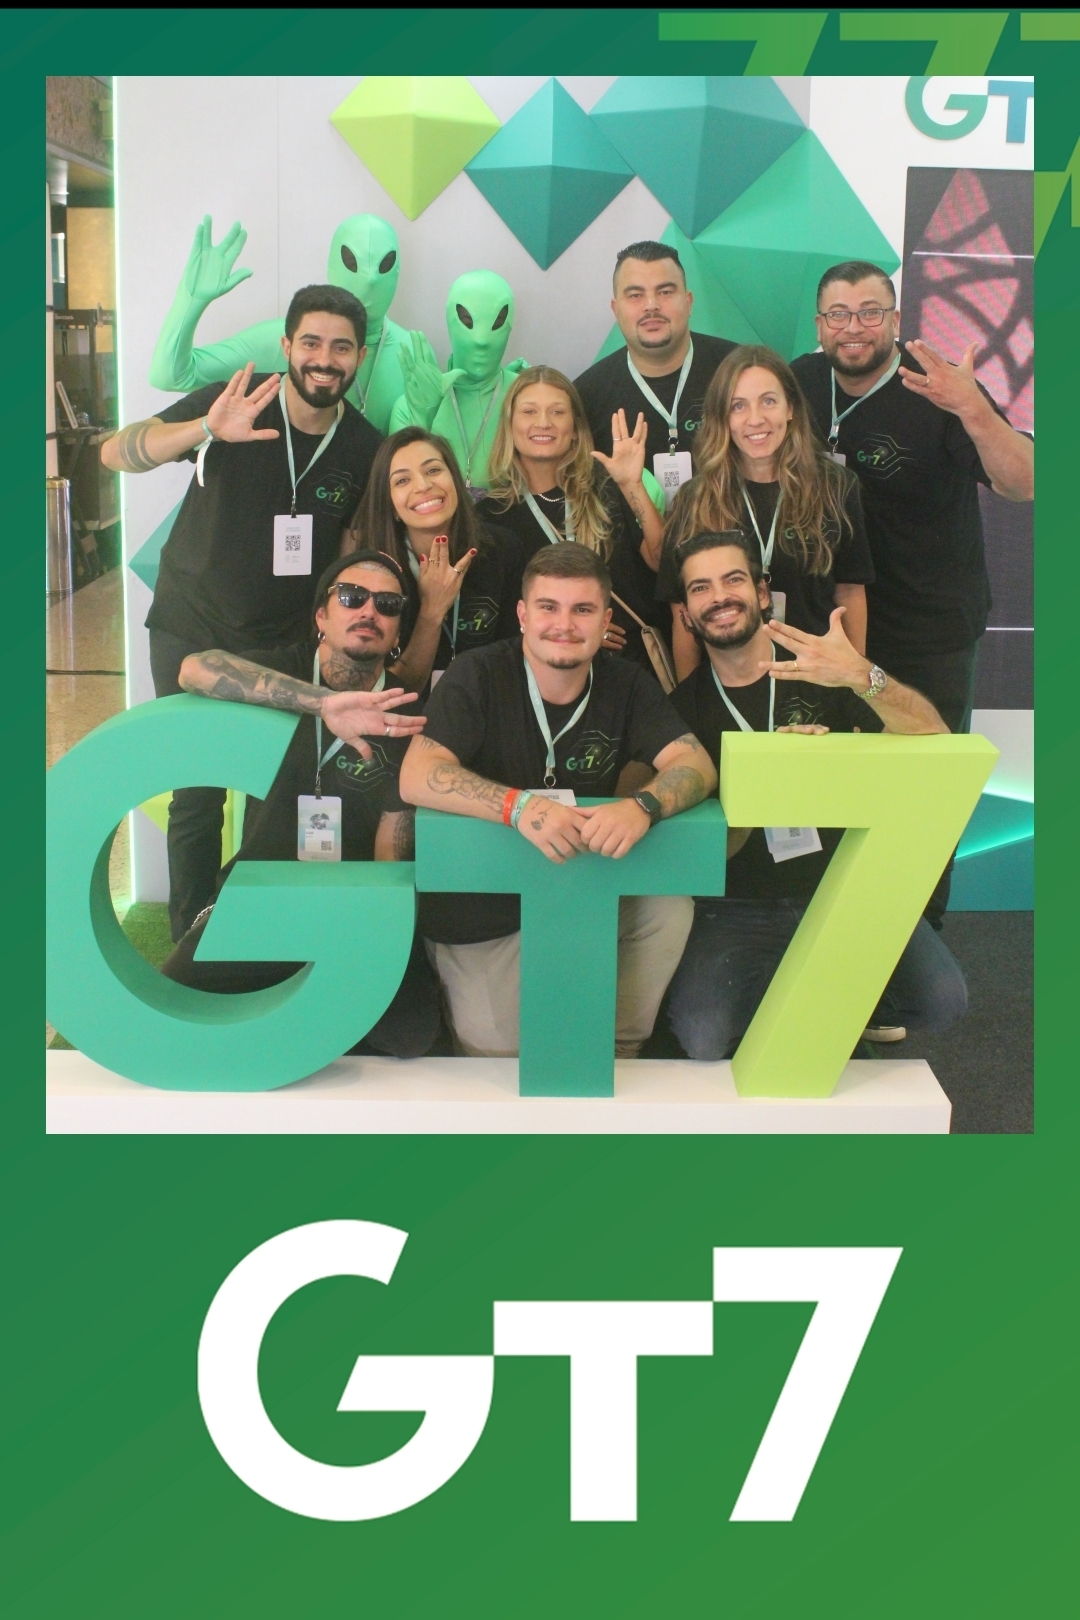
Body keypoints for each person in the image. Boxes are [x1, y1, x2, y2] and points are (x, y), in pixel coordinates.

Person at [101, 283, 382, 940]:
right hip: (190, 622)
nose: (324, 359)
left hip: (284, 643)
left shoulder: (365, 446)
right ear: (286, 345)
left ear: (360, 357)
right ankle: (188, 944)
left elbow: (352, 552)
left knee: (273, 797)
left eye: (341, 347)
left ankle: (253, 939)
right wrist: (205, 429)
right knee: (196, 795)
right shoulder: (237, 399)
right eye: (311, 342)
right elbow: (115, 452)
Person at [398, 542, 717, 1059]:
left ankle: (617, 1048)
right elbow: (417, 774)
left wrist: (643, 806)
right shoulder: (477, 674)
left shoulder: (625, 682)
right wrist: (520, 807)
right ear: (523, 614)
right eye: (548, 607)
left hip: (583, 887)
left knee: (666, 909)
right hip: (483, 913)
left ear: (605, 620)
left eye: (582, 609)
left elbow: (696, 764)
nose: (564, 624)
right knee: (502, 1058)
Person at [663, 531, 968, 1059]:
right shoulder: (680, 709)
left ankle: (813, 1001)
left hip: (841, 887)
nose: (719, 597)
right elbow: (689, 855)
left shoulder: (825, 672)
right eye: (700, 588)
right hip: (736, 906)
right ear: (686, 614)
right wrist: (766, 786)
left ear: (762, 592)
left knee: (943, 1002)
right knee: (703, 1035)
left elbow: (934, 737)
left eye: (733, 580)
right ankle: (807, 1000)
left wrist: (862, 675)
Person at [161, 550, 442, 1060]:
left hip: (350, 907)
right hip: (260, 900)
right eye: (352, 597)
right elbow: (194, 670)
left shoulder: (407, 712)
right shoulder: (280, 673)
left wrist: (377, 933)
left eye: (387, 604)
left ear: (398, 630)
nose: (369, 611)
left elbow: (392, 849)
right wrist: (322, 704)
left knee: (411, 1037)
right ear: (321, 617)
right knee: (170, 1011)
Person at [790, 259, 1034, 734]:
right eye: (838, 314)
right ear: (820, 325)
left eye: (870, 312)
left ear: (896, 320)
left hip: (929, 632)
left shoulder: (939, 386)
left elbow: (1024, 484)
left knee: (928, 770)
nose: (853, 327)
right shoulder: (799, 382)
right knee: (842, 772)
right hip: (836, 627)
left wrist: (974, 409)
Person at [658, 345, 875, 681]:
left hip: (817, 677)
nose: (755, 419)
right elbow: (682, 612)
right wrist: (688, 700)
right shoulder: (695, 499)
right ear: (722, 417)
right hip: (728, 682)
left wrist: (858, 680)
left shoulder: (837, 487)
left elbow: (850, 591)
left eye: (768, 401)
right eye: (738, 406)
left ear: (791, 408)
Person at [148, 213, 431, 432]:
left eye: (383, 265)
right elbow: (171, 375)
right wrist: (191, 300)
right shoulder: (288, 339)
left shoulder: (414, 352)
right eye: (352, 261)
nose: (369, 281)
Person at [478, 365, 673, 677]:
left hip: (627, 669)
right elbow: (494, 620)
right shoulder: (490, 515)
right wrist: (579, 633)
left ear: (574, 428)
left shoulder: (604, 486)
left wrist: (632, 484)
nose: (544, 422)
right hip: (543, 676)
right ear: (510, 425)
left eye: (557, 412)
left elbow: (664, 563)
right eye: (529, 411)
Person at [347, 426, 527, 694]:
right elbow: (382, 690)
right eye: (402, 481)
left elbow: (516, 658)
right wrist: (431, 612)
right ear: (390, 504)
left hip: (487, 706)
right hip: (404, 711)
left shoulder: (503, 549)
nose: (423, 486)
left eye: (433, 470)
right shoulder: (372, 572)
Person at [574, 241, 737, 480]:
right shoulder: (585, 397)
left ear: (688, 302)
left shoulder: (739, 372)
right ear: (616, 310)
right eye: (635, 295)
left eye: (665, 292)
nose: (651, 306)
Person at [389, 269, 529, 492]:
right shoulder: (409, 407)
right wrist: (422, 419)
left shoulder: (526, 398)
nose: (481, 340)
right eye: (467, 320)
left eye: (498, 322)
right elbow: (404, 489)